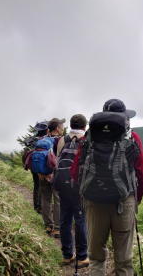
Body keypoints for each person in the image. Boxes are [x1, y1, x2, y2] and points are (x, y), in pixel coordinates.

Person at [71, 99, 143, 276]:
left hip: (94, 201)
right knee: (124, 260)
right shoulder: (132, 138)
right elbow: (142, 174)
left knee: (96, 257)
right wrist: (137, 198)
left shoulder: (88, 137)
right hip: (123, 202)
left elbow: (76, 170)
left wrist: (84, 195)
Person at [54, 114, 89, 267]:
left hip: (62, 184)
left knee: (65, 219)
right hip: (79, 185)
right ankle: (82, 257)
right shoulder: (86, 140)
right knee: (80, 219)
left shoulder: (62, 140)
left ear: (70, 125)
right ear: (84, 126)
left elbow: (57, 159)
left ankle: (67, 255)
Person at [39, 117, 64, 238]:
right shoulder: (60, 140)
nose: (63, 128)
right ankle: (57, 229)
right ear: (58, 128)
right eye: (62, 126)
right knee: (58, 200)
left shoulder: (43, 139)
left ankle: (48, 225)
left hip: (43, 174)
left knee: (46, 199)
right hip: (56, 174)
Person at [22, 121, 49, 214]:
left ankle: (36, 206)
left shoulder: (32, 139)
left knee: (36, 185)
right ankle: (40, 207)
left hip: (33, 164)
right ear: (46, 130)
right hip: (42, 165)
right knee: (42, 185)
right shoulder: (46, 140)